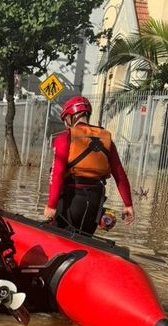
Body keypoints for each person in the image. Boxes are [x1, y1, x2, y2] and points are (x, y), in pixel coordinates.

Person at [43, 95, 135, 235]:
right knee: (85, 237)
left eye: (65, 119)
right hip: (95, 200)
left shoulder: (65, 137)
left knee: (59, 235)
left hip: (72, 198)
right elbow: (119, 174)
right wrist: (128, 204)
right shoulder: (106, 139)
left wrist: (51, 205)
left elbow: (57, 173)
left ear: (70, 117)